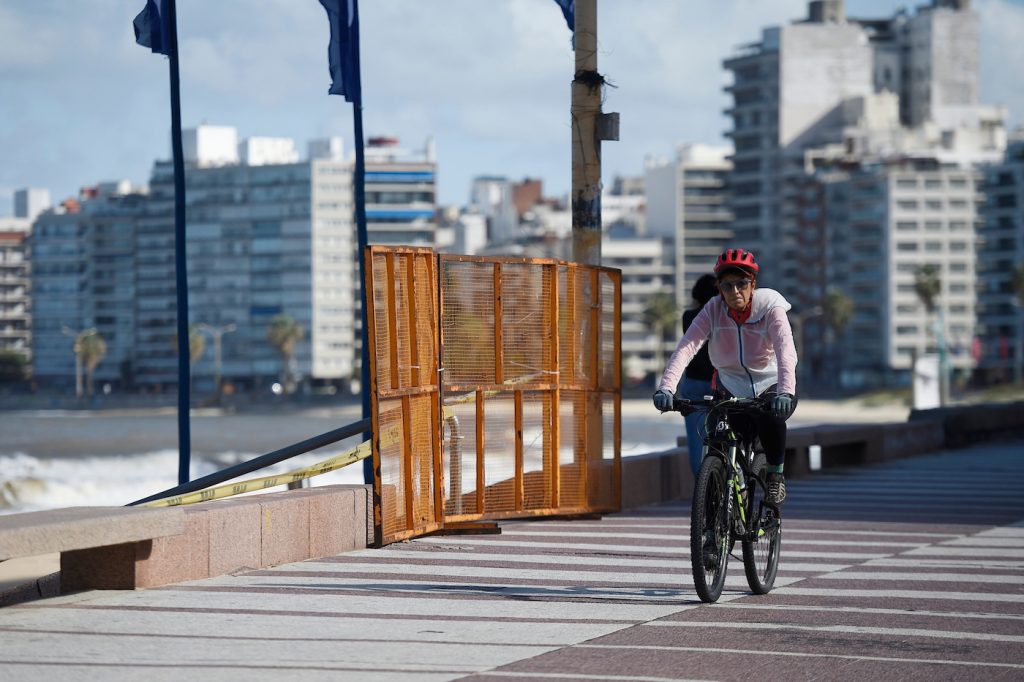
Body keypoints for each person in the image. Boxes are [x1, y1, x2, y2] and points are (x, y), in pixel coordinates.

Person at [652, 248, 797, 506]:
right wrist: (666, 388)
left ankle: (775, 477)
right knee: (718, 437)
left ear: (753, 284)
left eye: (742, 284)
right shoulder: (713, 309)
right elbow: (686, 347)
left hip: (769, 382)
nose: (735, 292)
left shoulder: (770, 306)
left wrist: (786, 391)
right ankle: (720, 505)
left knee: (771, 419)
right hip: (729, 382)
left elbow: (785, 351)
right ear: (719, 288)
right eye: (727, 286)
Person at [677, 274, 718, 476]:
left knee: (697, 442)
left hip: (693, 385)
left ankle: (703, 489)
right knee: (725, 438)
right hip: (720, 384)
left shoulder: (688, 316)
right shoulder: (723, 316)